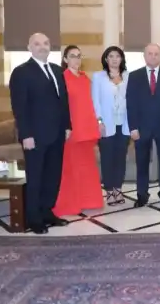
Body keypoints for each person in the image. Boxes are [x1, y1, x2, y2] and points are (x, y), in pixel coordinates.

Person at [8, 33, 70, 234]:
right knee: (35, 177)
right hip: (34, 136)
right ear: (29, 47)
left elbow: (63, 101)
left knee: (52, 176)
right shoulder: (21, 72)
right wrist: (26, 134)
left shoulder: (57, 70)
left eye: (45, 43)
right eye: (37, 44)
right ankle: (34, 218)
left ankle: (47, 212)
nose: (42, 47)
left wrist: (67, 126)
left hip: (57, 134)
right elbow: (20, 107)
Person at [52, 45, 103, 217]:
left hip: (88, 129)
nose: (76, 59)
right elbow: (60, 106)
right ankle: (70, 204)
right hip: (72, 130)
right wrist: (65, 127)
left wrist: (98, 122)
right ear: (65, 59)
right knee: (71, 168)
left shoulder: (84, 78)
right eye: (72, 56)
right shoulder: (62, 78)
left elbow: (92, 103)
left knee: (86, 167)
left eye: (79, 56)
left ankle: (88, 201)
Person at [125, 43, 160, 207]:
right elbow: (131, 104)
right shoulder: (134, 76)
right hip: (141, 129)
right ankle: (142, 194)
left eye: (156, 54)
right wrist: (133, 127)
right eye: (150, 54)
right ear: (144, 56)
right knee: (141, 163)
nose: (153, 57)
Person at [92, 46, 131, 206]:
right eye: (111, 56)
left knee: (120, 159)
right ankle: (109, 191)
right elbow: (95, 101)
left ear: (121, 59)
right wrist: (99, 122)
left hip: (124, 124)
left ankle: (118, 189)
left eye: (117, 56)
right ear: (106, 59)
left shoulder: (128, 76)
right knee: (107, 159)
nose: (114, 59)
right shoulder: (98, 77)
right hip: (106, 125)